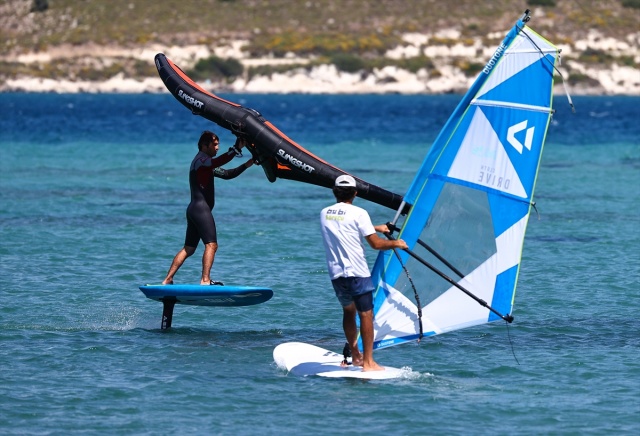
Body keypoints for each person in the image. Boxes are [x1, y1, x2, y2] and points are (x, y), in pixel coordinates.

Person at [319, 174, 408, 371]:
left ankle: (356, 356)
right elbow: (376, 244)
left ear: (335, 192)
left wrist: (375, 227)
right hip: (357, 274)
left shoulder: (325, 213)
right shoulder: (359, 213)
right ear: (355, 193)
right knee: (366, 315)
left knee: (348, 312)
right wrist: (396, 243)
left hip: (336, 275)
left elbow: (343, 225)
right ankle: (368, 362)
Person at [162, 131, 253, 286]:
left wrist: (247, 164)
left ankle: (167, 279)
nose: (217, 147)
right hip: (200, 210)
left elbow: (227, 174)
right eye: (214, 144)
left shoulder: (205, 164)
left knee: (189, 249)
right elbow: (219, 162)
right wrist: (235, 149)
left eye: (218, 144)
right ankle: (205, 280)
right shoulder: (201, 160)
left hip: (194, 210)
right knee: (211, 245)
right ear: (204, 145)